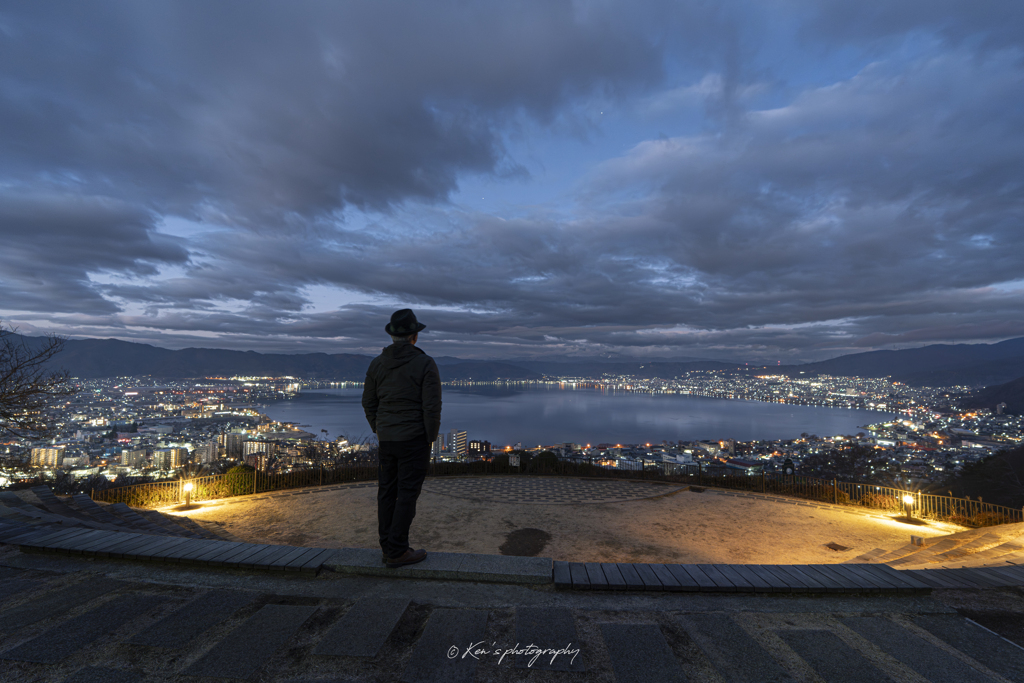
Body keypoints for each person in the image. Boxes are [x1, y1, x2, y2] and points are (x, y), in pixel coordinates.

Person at [362, 309, 442, 568]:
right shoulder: (425, 363)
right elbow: (431, 406)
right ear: (414, 336)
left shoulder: (377, 364)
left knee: (386, 491)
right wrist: (429, 437)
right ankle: (397, 551)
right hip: (414, 438)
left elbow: (369, 402)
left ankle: (389, 546)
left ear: (393, 335)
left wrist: (379, 428)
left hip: (387, 439)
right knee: (407, 493)